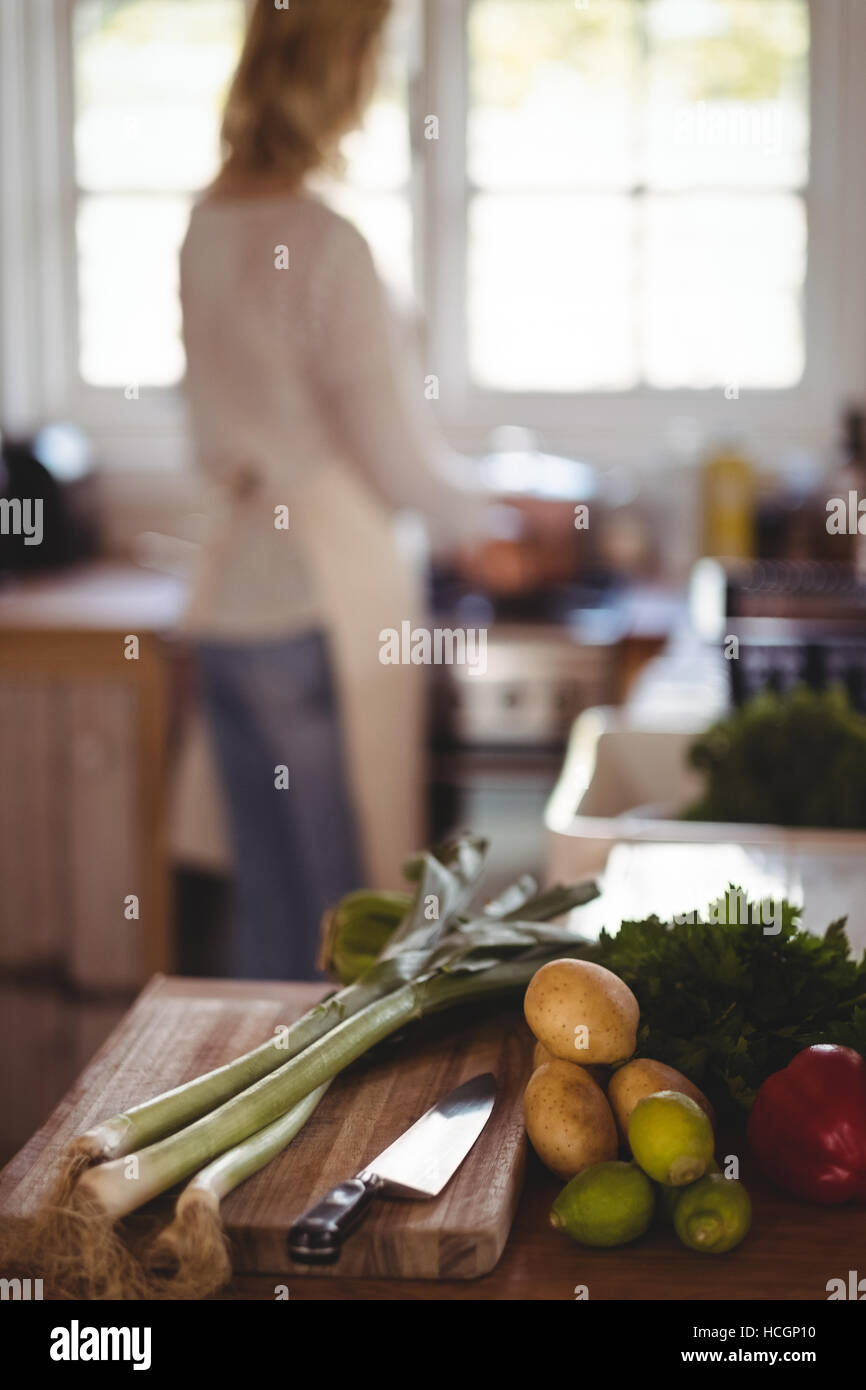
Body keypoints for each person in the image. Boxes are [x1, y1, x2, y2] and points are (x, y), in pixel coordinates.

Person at [179, 0, 494, 980]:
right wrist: (490, 514)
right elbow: (395, 463)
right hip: (316, 602)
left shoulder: (205, 223)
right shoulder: (324, 243)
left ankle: (266, 1129)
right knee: (346, 924)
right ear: (340, 67)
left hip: (229, 600)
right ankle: (347, 1134)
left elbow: (207, 433)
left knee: (269, 918)